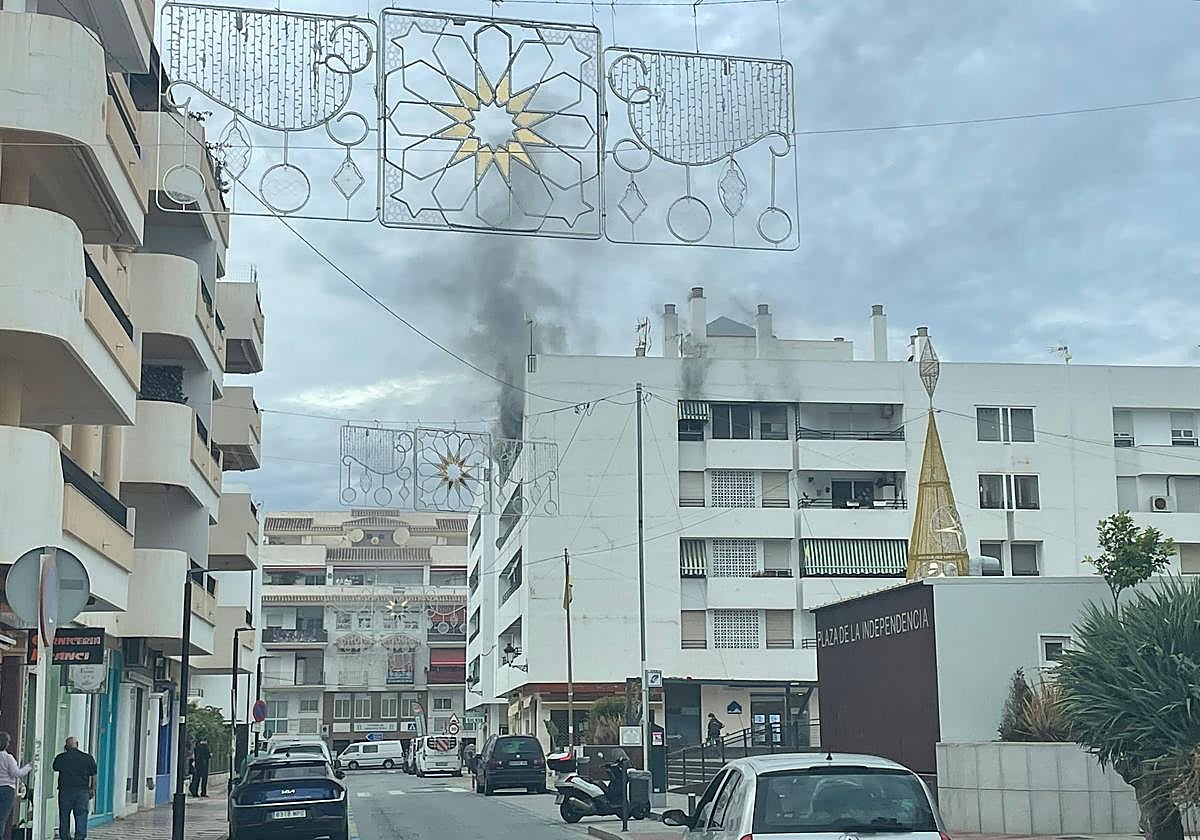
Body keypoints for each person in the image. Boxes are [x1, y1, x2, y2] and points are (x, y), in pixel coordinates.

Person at [52, 737, 96, 840]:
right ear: (77, 744)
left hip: (65, 791)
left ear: (66, 746)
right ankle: (79, 837)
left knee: (64, 815)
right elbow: (94, 774)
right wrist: (92, 789)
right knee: (81, 815)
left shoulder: (61, 757)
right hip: (82, 791)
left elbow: (55, 767)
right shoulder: (87, 758)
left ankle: (65, 837)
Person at [0, 732, 32, 840]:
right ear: (6, 744)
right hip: (7, 789)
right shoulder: (8, 758)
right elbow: (16, 773)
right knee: (2, 818)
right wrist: (28, 767)